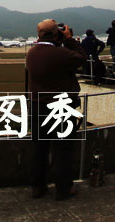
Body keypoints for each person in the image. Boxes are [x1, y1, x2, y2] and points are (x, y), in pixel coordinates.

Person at [26, 19, 85, 201]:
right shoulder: (60, 53)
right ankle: (64, 188)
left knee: (39, 149)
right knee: (63, 150)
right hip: (60, 106)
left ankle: (38, 187)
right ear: (55, 34)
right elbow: (81, 57)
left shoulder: (32, 53)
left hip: (37, 105)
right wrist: (69, 39)